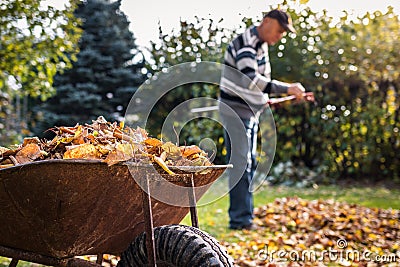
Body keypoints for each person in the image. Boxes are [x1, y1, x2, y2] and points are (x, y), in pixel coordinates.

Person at [219, 9, 307, 230]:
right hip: (235, 112)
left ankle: (244, 218)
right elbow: (250, 80)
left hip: (249, 112)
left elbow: (257, 84)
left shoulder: (261, 45)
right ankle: (240, 221)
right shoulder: (247, 43)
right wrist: (288, 88)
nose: (280, 36)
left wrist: (263, 101)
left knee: (248, 163)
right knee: (241, 164)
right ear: (266, 22)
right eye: (279, 30)